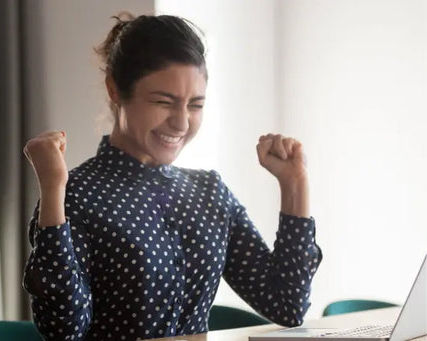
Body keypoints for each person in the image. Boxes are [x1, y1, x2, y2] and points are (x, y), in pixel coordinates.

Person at [22, 13, 322, 341]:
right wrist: (52, 189)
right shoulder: (76, 194)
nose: (181, 124)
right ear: (115, 90)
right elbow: (64, 331)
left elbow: (287, 304)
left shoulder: (210, 192)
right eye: (164, 102)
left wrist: (295, 184)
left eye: (195, 105)